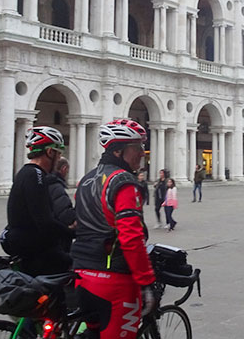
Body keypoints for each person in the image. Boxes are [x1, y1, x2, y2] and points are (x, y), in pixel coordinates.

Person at [71, 119, 158, 339]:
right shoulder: (124, 183)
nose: (142, 153)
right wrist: (146, 280)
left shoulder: (86, 180)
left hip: (81, 275)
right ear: (119, 151)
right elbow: (131, 238)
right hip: (113, 280)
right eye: (137, 147)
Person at [0, 126, 72, 276]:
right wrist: (72, 233)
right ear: (50, 152)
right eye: (58, 154)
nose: (59, 159)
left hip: (24, 245)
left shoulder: (26, 173)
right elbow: (44, 221)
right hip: (34, 249)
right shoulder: (36, 175)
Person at [46, 156, 77, 253]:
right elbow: (66, 215)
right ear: (64, 169)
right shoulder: (56, 187)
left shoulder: (40, 182)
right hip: (58, 241)